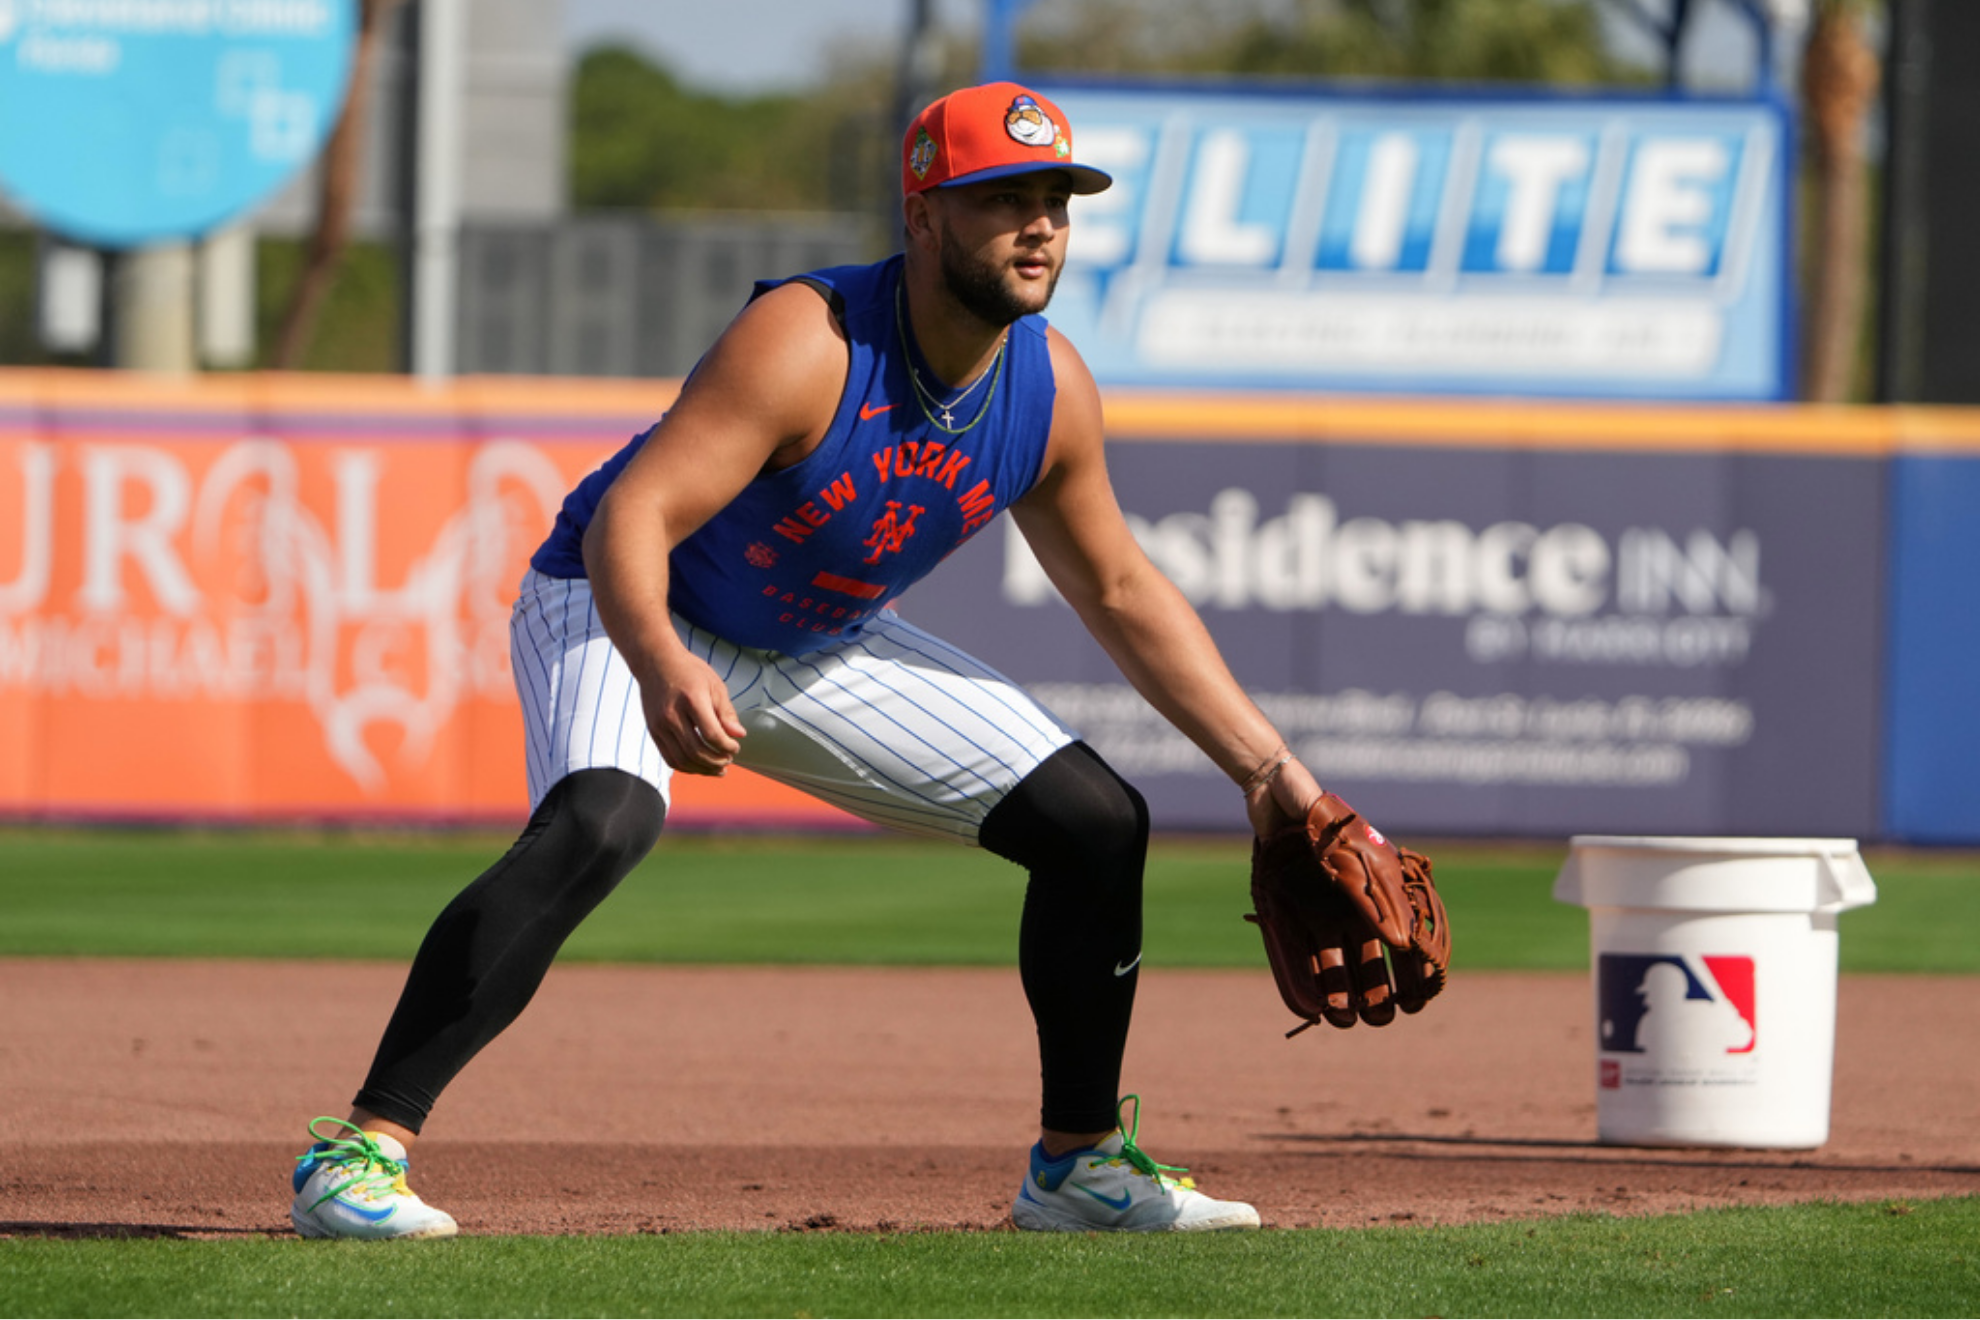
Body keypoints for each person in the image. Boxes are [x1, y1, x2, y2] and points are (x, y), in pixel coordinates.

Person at [291, 81, 1342, 1240]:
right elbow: (630, 518)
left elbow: (1121, 588)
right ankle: (359, 1155)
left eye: (1056, 199)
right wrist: (653, 660)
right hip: (628, 598)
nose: (1039, 224)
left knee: (1097, 822)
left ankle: (1077, 1167)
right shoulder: (812, 340)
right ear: (925, 212)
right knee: (601, 821)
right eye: (1004, 197)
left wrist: (1268, 771)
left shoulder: (1049, 392)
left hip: (812, 640)